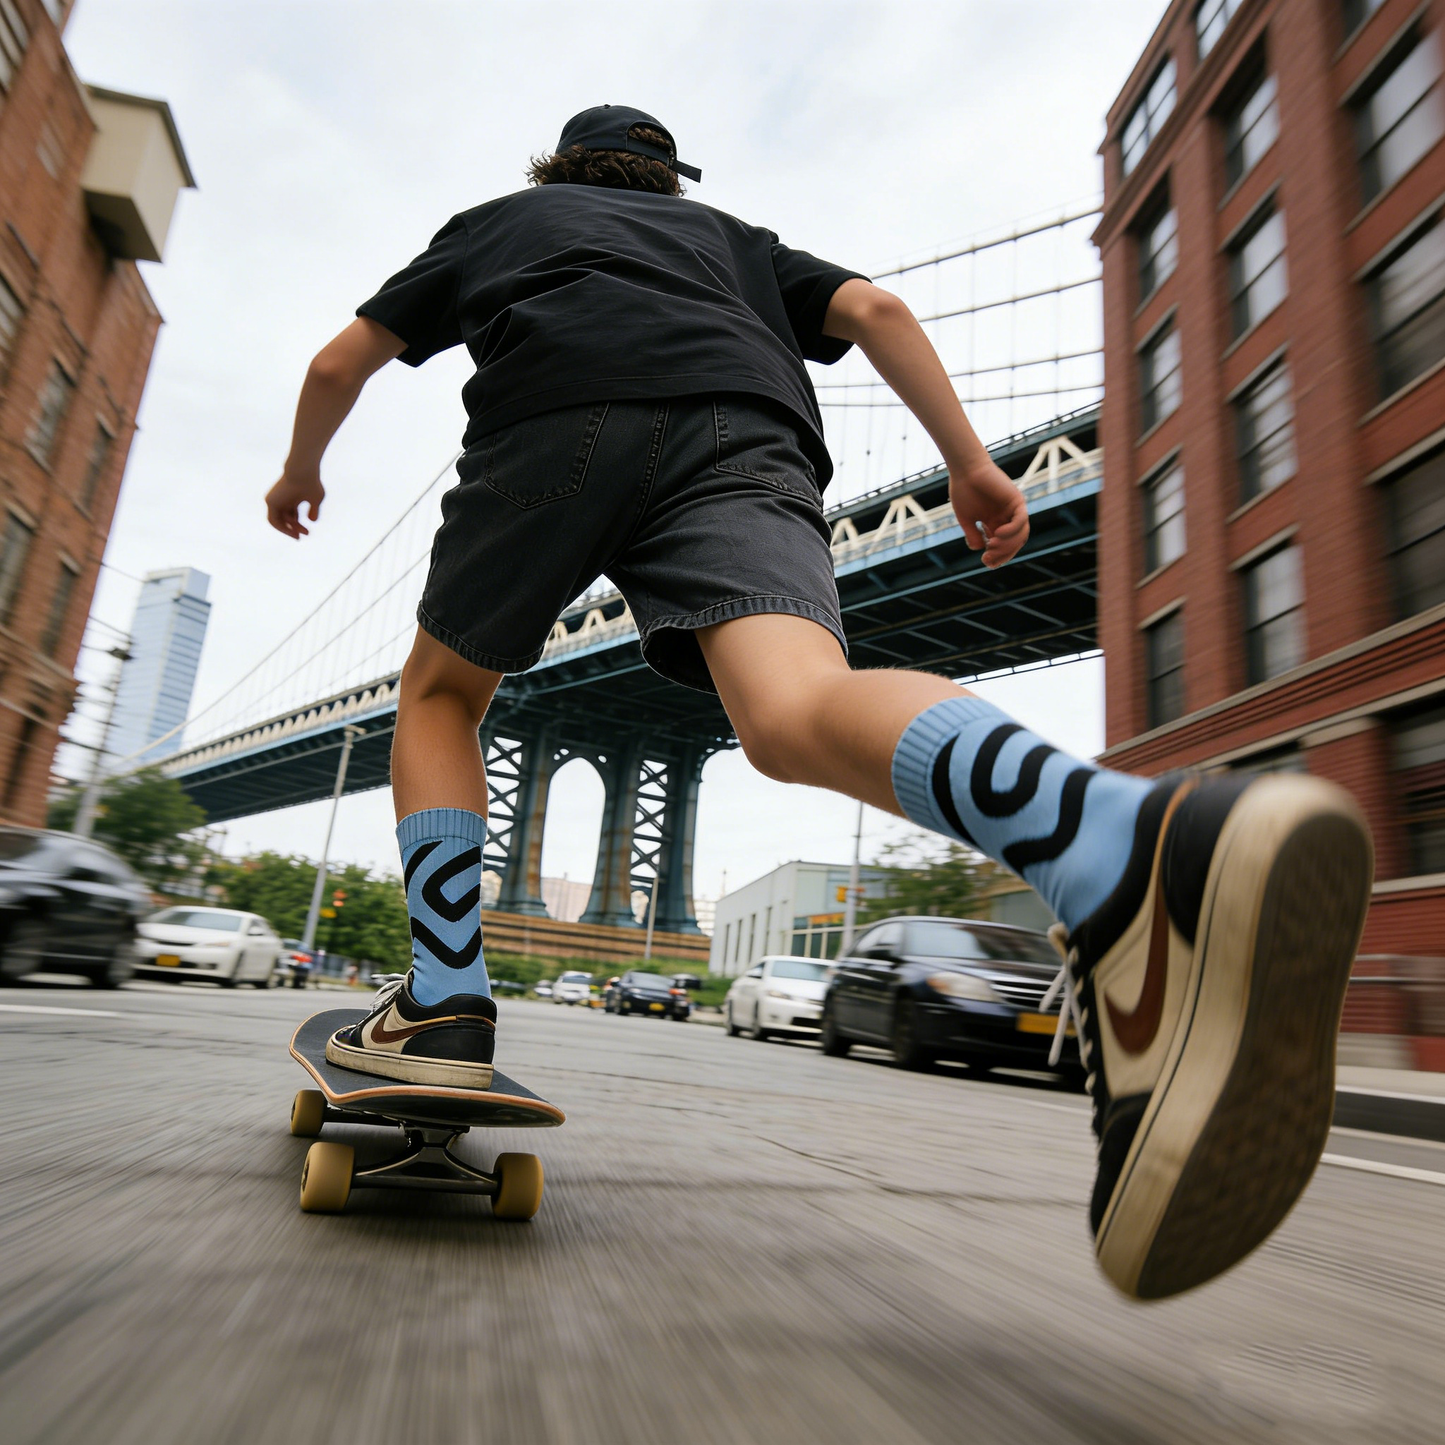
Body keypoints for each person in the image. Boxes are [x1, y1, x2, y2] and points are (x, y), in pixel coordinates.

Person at [265, 105, 1373, 1301]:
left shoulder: (500, 222)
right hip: (750, 436)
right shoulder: (736, 242)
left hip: (555, 418)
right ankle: (1120, 839)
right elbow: (875, 311)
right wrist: (971, 460)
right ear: (670, 180)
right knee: (797, 710)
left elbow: (339, 362)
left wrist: (300, 467)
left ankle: (443, 1000)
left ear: (559, 170)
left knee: (442, 693)